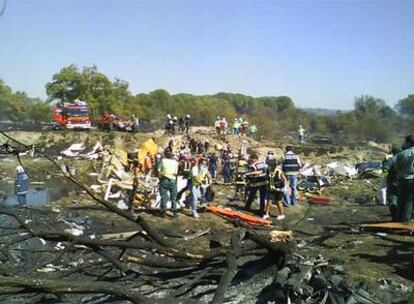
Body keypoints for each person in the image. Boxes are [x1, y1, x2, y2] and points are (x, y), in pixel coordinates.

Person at [394, 135, 414, 223]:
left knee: (401, 199)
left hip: (402, 179)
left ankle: (398, 218)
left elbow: (396, 168)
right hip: (412, 179)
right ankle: (406, 219)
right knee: (409, 200)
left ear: (408, 142)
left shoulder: (401, 154)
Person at [157, 150, 179, 216]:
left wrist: (159, 178)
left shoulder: (162, 161)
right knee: (174, 197)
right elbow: (176, 173)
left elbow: (158, 170)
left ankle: (163, 211)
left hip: (164, 179)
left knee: (164, 196)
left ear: (165, 155)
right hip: (173, 180)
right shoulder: (175, 162)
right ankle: (174, 211)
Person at [384, 145, 400, 221]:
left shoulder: (390, 159)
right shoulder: (403, 158)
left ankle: (394, 216)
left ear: (392, 152)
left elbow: (385, 169)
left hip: (392, 181)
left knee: (393, 196)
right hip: (403, 181)